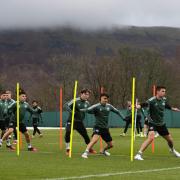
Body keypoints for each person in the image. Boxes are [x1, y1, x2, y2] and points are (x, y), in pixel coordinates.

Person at [134, 86, 180, 160]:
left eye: (164, 91)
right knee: (151, 138)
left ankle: (172, 150)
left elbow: (166, 105)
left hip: (161, 123)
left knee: (170, 140)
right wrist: (138, 106)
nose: (164, 93)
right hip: (152, 122)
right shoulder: (152, 100)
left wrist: (173, 108)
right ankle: (138, 154)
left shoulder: (164, 100)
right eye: (162, 91)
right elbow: (144, 104)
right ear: (157, 92)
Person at [81, 93, 125, 158]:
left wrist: (123, 118)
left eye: (107, 99)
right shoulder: (96, 106)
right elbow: (88, 110)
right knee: (94, 140)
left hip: (105, 128)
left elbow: (117, 111)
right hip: (98, 127)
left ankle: (103, 151)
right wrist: (78, 110)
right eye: (104, 98)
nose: (106, 100)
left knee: (111, 145)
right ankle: (85, 153)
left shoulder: (109, 106)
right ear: (100, 98)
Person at [64, 88, 96, 155]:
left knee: (85, 135)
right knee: (68, 132)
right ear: (81, 94)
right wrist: (71, 111)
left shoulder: (87, 103)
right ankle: (68, 149)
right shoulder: (75, 100)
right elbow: (65, 105)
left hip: (80, 122)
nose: (87, 96)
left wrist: (95, 112)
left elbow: (89, 111)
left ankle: (89, 148)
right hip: (71, 120)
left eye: (88, 95)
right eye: (85, 94)